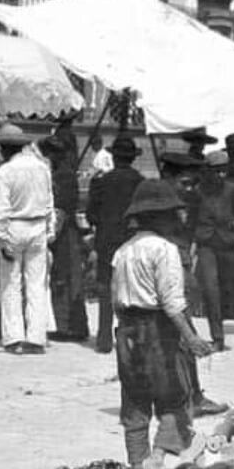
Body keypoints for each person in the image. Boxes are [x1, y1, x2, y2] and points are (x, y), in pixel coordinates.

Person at [112, 179, 213, 469]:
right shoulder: (164, 250)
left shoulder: (123, 252)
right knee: (175, 397)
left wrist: (125, 332)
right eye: (172, 214)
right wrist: (191, 338)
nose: (178, 220)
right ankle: (157, 459)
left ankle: (136, 466)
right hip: (159, 330)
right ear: (159, 217)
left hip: (128, 330)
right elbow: (171, 301)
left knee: (135, 402)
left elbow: (115, 298)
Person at [159, 152, 228, 417]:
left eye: (191, 184)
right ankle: (189, 397)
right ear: (169, 177)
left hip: (182, 263)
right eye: (184, 183)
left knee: (181, 333)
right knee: (179, 335)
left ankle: (189, 393)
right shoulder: (157, 203)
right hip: (167, 269)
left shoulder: (189, 200)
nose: (189, 189)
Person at [0, 123, 54, 355]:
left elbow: (1, 208)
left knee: (11, 284)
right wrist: (50, 228)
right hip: (38, 226)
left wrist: (0, 236)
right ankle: (36, 337)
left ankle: (13, 337)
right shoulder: (42, 167)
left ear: (5, 148)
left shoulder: (6, 171)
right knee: (36, 284)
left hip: (15, 226)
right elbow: (49, 202)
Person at [87, 135, 145, 353]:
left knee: (105, 289)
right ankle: (132, 336)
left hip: (106, 239)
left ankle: (103, 338)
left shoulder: (101, 182)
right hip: (132, 239)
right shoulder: (140, 182)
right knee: (133, 289)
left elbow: (92, 215)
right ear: (132, 159)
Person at [192, 151, 234, 352]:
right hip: (206, 244)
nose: (221, 175)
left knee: (227, 290)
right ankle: (218, 338)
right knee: (210, 289)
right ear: (208, 171)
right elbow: (191, 220)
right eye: (217, 171)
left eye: (224, 171)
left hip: (228, 244)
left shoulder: (232, 190)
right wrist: (190, 246)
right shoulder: (198, 192)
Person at [42, 135, 90, 342]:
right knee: (62, 277)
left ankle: (71, 326)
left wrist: (52, 233)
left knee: (67, 278)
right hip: (63, 229)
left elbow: (62, 208)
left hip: (65, 231)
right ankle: (65, 324)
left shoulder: (64, 176)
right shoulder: (60, 174)